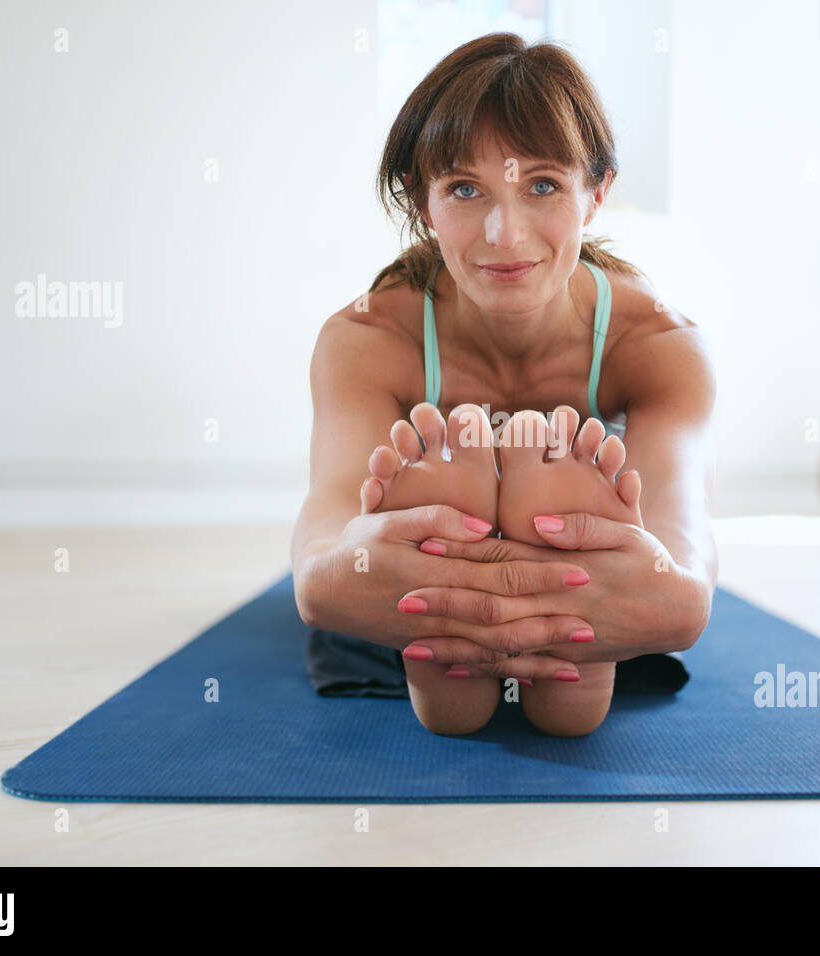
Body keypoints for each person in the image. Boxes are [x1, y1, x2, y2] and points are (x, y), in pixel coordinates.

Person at [291, 32, 717, 737]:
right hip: (421, 585)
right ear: (422, 203)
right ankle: (457, 577)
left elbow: (683, 582)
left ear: (596, 193)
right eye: (464, 189)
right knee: (357, 589)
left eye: (542, 185)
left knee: (645, 599)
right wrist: (414, 569)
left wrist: (554, 578)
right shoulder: (368, 339)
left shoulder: (660, 343)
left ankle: (526, 610)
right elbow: (322, 561)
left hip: (583, 592)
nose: (504, 233)